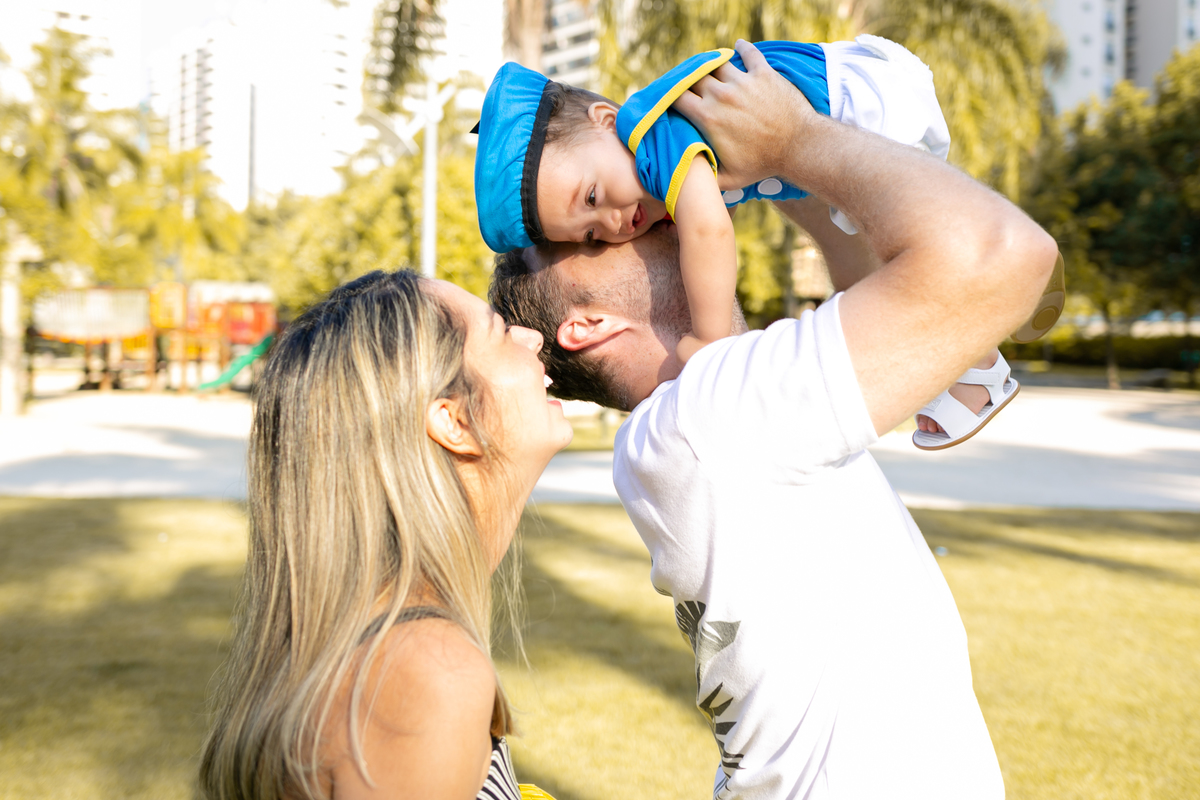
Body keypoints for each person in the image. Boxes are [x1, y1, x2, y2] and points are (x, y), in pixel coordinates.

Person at [489, 41, 1058, 799]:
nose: (628, 223)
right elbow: (1002, 253)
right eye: (584, 242)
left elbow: (891, 277)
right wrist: (797, 141)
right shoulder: (713, 413)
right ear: (585, 325)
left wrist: (783, 178)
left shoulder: (696, 425)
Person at [473, 38, 1062, 447]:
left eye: (595, 198)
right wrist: (790, 157)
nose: (618, 225)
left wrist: (706, 337)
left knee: (917, 247)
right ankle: (978, 364)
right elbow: (873, 291)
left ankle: (994, 327)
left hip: (863, 98)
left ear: (607, 119)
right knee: (883, 264)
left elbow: (709, 231)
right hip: (861, 106)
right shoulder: (700, 422)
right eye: (591, 236)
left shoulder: (652, 138)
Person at [198, 270, 568, 800]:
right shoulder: (425, 670)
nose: (532, 336)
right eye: (500, 332)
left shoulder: (387, 647)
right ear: (454, 421)